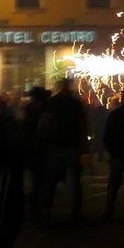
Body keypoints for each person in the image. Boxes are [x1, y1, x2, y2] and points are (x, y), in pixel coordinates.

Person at [37, 79, 87, 219]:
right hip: (73, 146)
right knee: (74, 181)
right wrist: (85, 147)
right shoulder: (76, 103)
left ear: (58, 88)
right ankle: (75, 210)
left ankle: (46, 208)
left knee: (50, 179)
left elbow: (44, 124)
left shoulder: (52, 102)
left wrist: (44, 139)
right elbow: (83, 126)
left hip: (55, 146)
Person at [104, 88, 124, 220]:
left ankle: (109, 212)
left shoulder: (115, 114)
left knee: (113, 186)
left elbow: (107, 135)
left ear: (122, 98)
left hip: (117, 155)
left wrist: (110, 150)